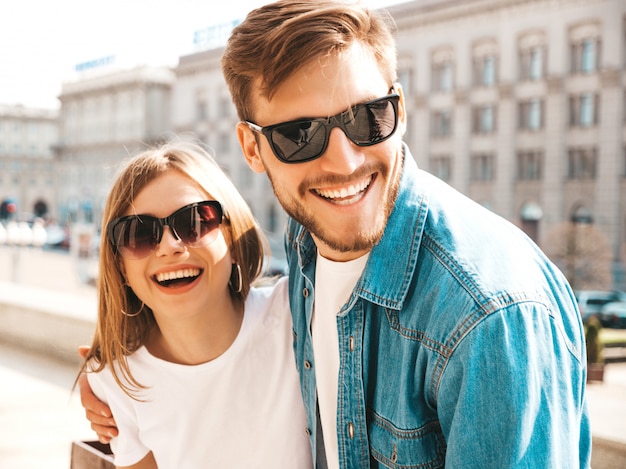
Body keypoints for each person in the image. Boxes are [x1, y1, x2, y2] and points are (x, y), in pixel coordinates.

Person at [83, 1, 592, 467]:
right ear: (252, 148)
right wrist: (111, 369)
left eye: (369, 117)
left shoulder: (489, 315)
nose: (344, 161)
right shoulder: (310, 243)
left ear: (400, 109)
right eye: (298, 136)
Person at [76, 140, 312, 468]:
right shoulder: (117, 383)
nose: (169, 246)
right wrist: (103, 374)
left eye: (194, 222)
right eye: (139, 234)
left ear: (230, 236)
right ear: (120, 268)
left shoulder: (297, 314)